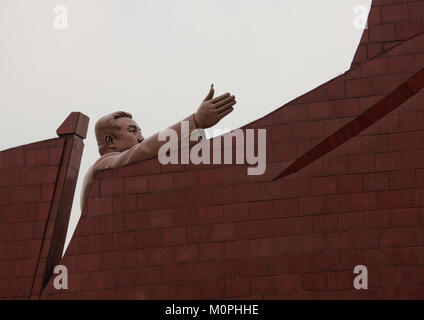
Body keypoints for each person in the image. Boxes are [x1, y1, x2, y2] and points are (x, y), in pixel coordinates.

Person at [80, 85, 236, 211]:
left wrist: (195, 134)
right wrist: (194, 122)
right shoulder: (101, 167)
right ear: (110, 141)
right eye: (133, 131)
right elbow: (141, 153)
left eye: (140, 131)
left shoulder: (130, 176)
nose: (141, 138)